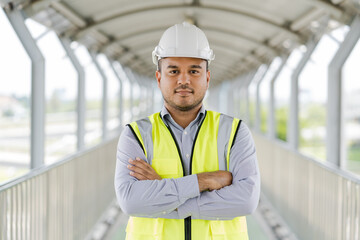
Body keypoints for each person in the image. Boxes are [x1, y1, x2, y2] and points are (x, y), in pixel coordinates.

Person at [114, 22, 260, 240]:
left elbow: (246, 200)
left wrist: (163, 195)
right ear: (159, 77)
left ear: (207, 78)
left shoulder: (235, 132)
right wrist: (203, 181)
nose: (184, 79)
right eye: (174, 71)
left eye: (194, 71)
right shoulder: (135, 134)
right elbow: (131, 201)